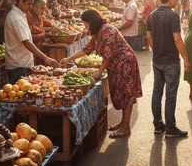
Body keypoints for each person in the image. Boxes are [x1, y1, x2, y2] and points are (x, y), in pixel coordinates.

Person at [60, 8, 142, 138]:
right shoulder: (98, 33)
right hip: (116, 65)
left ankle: (126, 127)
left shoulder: (106, 30)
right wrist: (68, 59)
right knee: (121, 92)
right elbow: (87, 49)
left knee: (127, 93)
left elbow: (107, 56)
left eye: (86, 23)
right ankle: (123, 123)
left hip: (125, 63)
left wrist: (99, 71)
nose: (85, 26)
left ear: (92, 21)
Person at [146, 0, 191, 138]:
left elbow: (149, 37)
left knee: (157, 92)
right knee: (170, 95)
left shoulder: (152, 15)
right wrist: (186, 58)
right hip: (171, 61)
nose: (177, 0)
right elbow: (177, 38)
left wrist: (156, 50)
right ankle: (170, 128)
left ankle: (158, 125)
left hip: (157, 60)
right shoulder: (172, 16)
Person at [4, 0, 58, 84]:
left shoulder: (21, 14)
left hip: (23, 62)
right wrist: (45, 58)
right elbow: (27, 42)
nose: (30, 7)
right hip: (18, 64)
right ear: (21, 2)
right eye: (29, 4)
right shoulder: (16, 18)